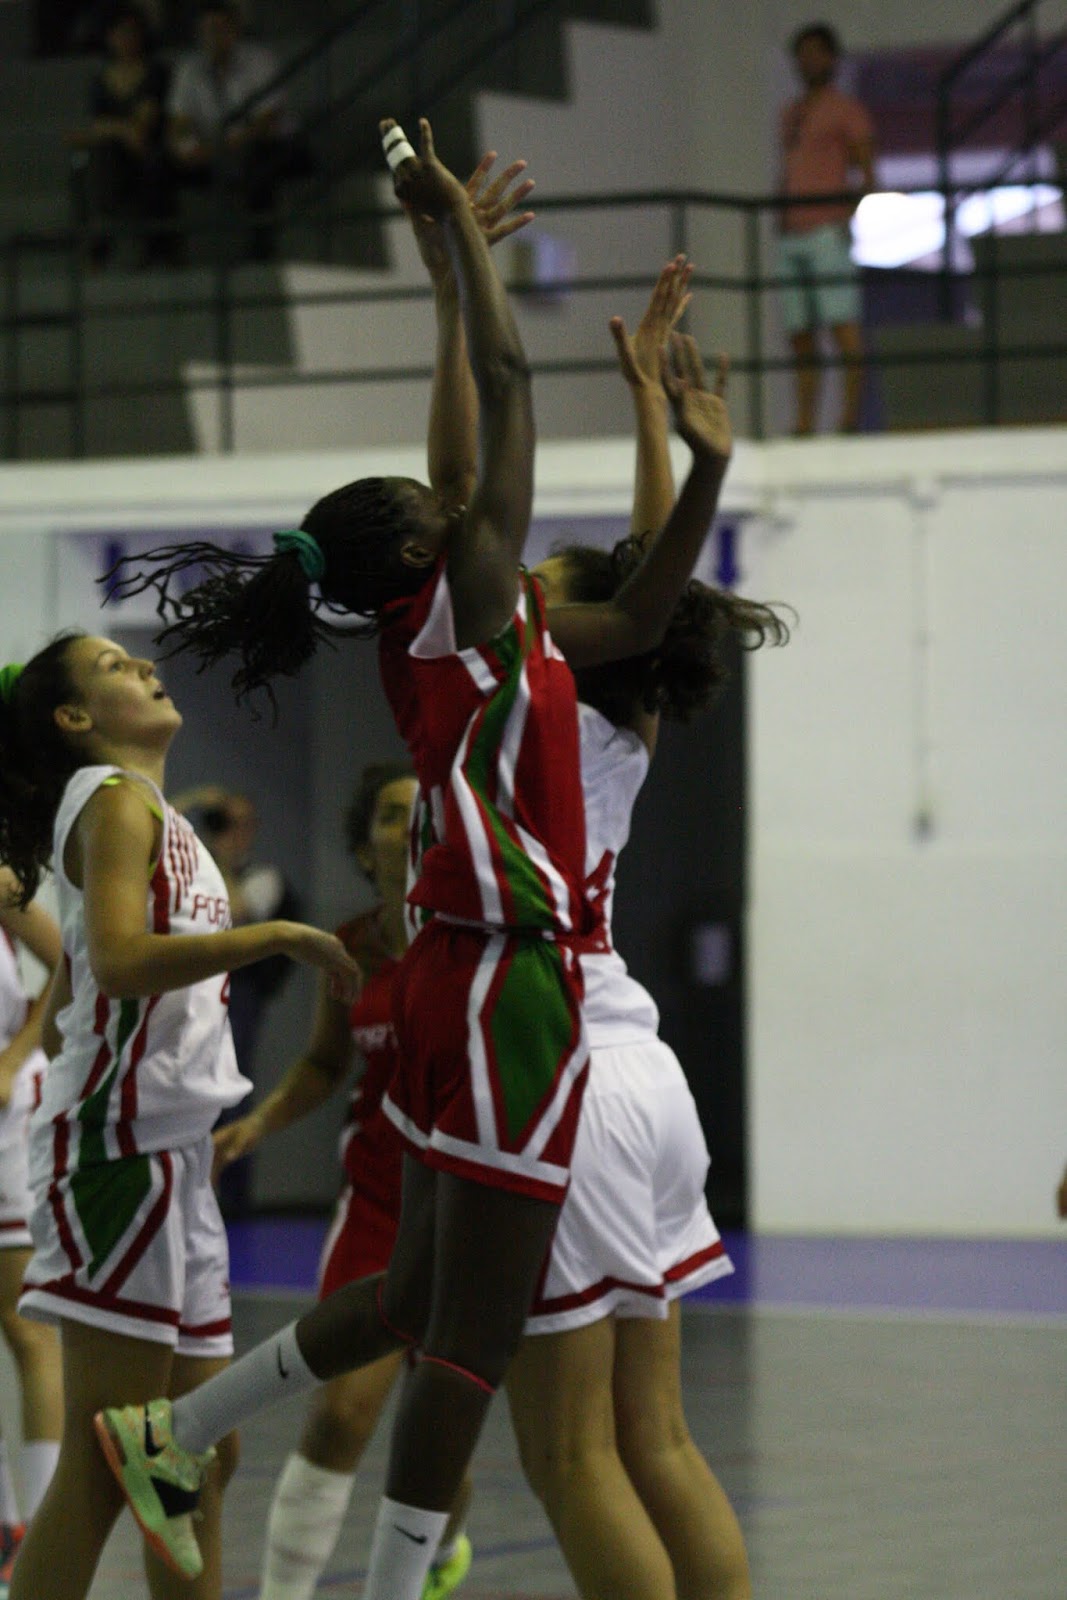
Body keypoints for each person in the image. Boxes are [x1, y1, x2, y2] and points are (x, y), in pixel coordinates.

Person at [93, 117, 734, 1600]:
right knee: (468, 1340)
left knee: (426, 1300)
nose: (469, 501)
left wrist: (459, 290)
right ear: (426, 556)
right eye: (449, 514)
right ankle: (371, 1575)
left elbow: (635, 601)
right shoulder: (466, 612)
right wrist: (453, 247)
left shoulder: (475, 627)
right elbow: (501, 406)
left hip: (469, 976)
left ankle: (179, 1431)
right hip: (513, 984)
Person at [418, 222, 782, 1598]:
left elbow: (484, 503)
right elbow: (647, 582)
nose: (529, 579)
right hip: (640, 1068)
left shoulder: (519, 681)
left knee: (569, 1455)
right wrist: (659, 425)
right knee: (655, 1438)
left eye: (549, 580)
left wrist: (453, 289)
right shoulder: (627, 714)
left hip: (555, 1068)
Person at [0, 638, 360, 1600]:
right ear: (75, 719)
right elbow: (121, 962)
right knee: (109, 1461)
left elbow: (76, 988)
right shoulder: (113, 799)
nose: (141, 666)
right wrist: (275, 935)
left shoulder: (157, 816)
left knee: (196, 1455)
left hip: (171, 1152)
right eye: (113, 666)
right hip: (120, 1151)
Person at [214, 765, 473, 1600]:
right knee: (338, 1414)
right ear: (366, 846)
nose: (410, 826)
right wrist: (258, 1123)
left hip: (469, 1209)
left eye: (423, 812)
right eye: (392, 815)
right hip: (378, 1202)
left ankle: (441, 1552)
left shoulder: (474, 940)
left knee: (435, 1433)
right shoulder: (350, 946)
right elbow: (327, 1062)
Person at [172, 785, 302, 1217]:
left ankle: (233, 1197)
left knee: (231, 1085)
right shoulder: (191, 869)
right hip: (191, 987)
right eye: (224, 822)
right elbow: (153, 833)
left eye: (240, 824)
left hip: (239, 994)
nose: (231, 832)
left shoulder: (263, 877)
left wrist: (219, 858)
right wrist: (194, 803)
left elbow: (234, 910)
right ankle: (189, 1188)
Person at [0, 871, 63, 1599]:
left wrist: (14, 1058)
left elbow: (68, 965)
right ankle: (5, 1524)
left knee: (26, 1325)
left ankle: (47, 1525)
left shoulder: (2, 882)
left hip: (9, 1118)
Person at [777, 21, 875, 436]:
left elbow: (867, 172)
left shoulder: (846, 110)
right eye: (802, 54)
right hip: (792, 233)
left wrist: (845, 218)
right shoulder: (791, 113)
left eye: (816, 53)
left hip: (826, 232)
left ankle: (849, 419)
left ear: (832, 58)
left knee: (842, 327)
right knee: (800, 335)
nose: (808, 61)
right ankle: (804, 423)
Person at [167, 0, 309, 261]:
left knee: (259, 159)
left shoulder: (259, 60)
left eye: (220, 29)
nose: (214, 37)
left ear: (235, 30)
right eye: (207, 30)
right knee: (160, 164)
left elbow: (267, 118)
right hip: (215, 151)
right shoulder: (190, 69)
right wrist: (186, 147)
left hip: (271, 145)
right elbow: (179, 120)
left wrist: (224, 146)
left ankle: (261, 247)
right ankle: (164, 253)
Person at [65, 3, 178, 268]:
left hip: (148, 148)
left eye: (132, 33)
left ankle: (149, 245)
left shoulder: (156, 72)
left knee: (142, 162)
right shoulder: (101, 80)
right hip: (114, 151)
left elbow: (145, 119)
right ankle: (101, 239)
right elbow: (99, 124)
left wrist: (115, 129)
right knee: (101, 158)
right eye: (120, 33)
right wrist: (121, 130)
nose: (127, 39)